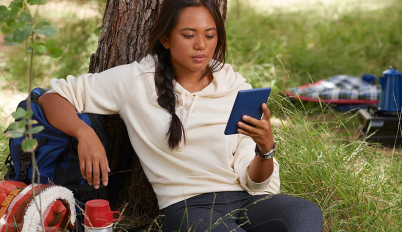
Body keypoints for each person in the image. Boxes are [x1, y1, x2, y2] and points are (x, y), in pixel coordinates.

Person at [38, 0, 323, 231]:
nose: (201, 45)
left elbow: (256, 182)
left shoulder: (235, 86)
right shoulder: (136, 81)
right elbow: (52, 98)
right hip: (188, 208)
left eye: (209, 36)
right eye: (189, 35)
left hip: (247, 200)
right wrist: (83, 132)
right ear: (165, 38)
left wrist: (265, 149)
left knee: (304, 213)